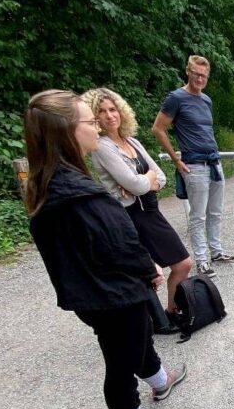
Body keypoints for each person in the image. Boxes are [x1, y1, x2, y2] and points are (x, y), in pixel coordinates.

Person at [25, 90, 186, 409]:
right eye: (89, 121)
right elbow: (117, 245)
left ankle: (160, 379)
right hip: (107, 292)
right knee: (120, 355)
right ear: (66, 131)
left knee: (138, 332)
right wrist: (149, 268)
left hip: (96, 290)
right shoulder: (74, 193)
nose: (96, 126)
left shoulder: (54, 181)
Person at [82, 88, 192, 330]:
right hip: (129, 215)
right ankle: (159, 321)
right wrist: (143, 182)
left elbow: (160, 178)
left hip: (150, 211)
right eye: (101, 112)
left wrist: (146, 180)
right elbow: (136, 185)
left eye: (112, 109)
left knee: (180, 264)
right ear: (94, 118)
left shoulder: (132, 141)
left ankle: (169, 312)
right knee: (148, 272)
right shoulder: (102, 146)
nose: (109, 115)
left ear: (121, 111)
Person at [152, 55, 234, 278]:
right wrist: (176, 159)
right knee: (198, 215)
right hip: (194, 164)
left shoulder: (206, 100)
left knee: (215, 211)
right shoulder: (176, 98)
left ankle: (216, 251)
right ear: (188, 72)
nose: (200, 79)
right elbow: (158, 129)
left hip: (213, 161)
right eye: (196, 74)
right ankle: (201, 260)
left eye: (204, 76)